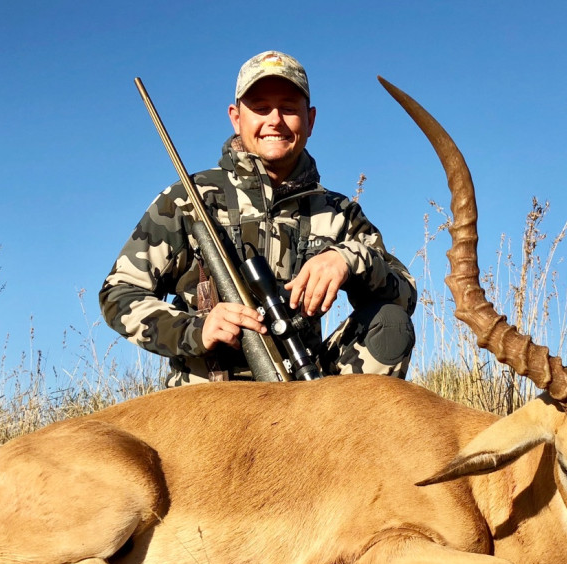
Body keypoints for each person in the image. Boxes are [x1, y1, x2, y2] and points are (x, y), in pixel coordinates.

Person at [100, 50, 417, 386]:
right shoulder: (188, 199)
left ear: (310, 120)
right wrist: (196, 329)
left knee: (392, 322)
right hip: (209, 398)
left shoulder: (339, 212)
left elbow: (405, 295)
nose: (275, 120)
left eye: (289, 108)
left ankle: (344, 436)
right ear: (236, 117)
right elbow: (119, 293)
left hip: (306, 384)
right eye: (261, 108)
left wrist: (348, 259)